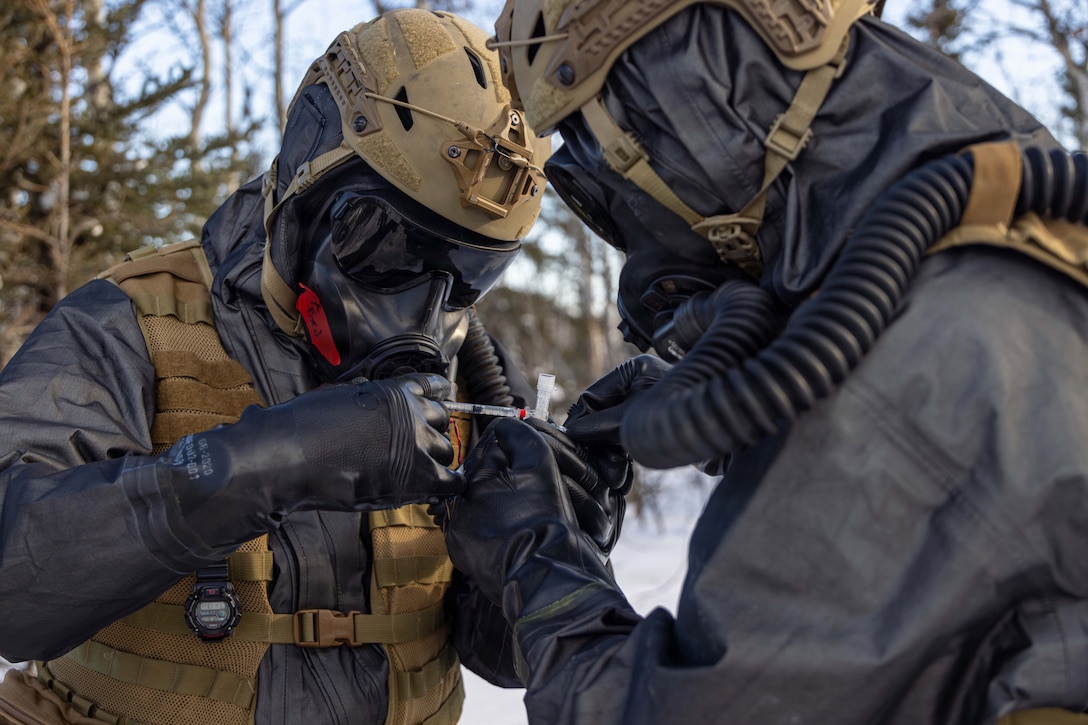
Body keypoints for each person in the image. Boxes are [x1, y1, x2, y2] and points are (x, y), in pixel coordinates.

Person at [435, 1, 1088, 724]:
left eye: (592, 153)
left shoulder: (922, 364)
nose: (623, 223)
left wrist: (536, 553)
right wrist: (741, 414)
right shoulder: (1016, 233)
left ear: (694, 107)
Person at [0, 9, 576, 725]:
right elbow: (14, 589)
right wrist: (275, 461)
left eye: (467, 273)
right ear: (303, 198)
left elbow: (503, 652)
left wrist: (556, 543)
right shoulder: (126, 326)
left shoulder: (471, 380)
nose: (425, 312)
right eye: (387, 248)